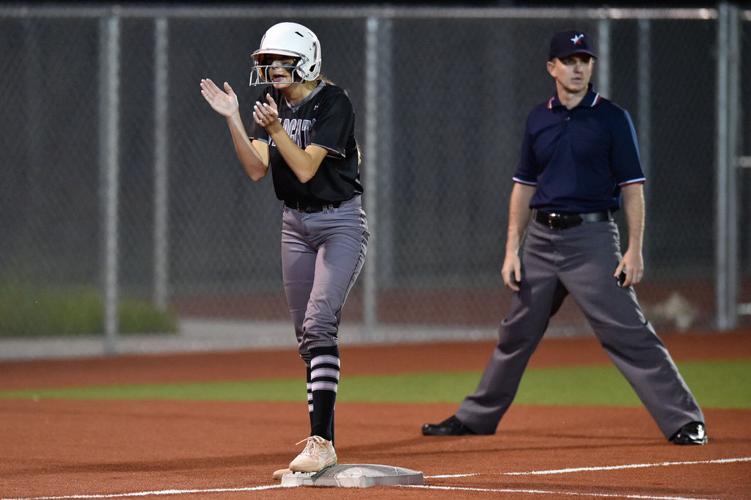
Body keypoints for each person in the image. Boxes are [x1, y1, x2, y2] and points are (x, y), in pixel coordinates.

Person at [422, 30, 707, 445]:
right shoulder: (538, 118)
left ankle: (685, 419)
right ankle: (477, 416)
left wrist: (634, 250)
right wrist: (511, 250)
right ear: (552, 68)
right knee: (515, 333)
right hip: (540, 241)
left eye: (584, 60)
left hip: (592, 241)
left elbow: (632, 188)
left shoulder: (612, 118)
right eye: (569, 60)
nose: (578, 68)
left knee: (628, 332)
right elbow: (523, 186)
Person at [200, 21, 369, 478]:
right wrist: (234, 118)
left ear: (306, 61)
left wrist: (275, 131)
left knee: (319, 324)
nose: (272, 69)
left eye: (281, 61)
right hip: (294, 225)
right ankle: (323, 443)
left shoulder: (334, 102)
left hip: (339, 222)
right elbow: (257, 169)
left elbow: (307, 169)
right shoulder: (272, 104)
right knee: (308, 340)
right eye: (267, 62)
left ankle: (321, 442)